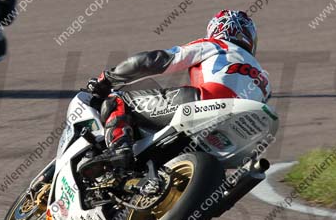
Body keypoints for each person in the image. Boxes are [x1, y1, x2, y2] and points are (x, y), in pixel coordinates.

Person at [81, 10, 271, 175]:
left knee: (117, 100)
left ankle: (119, 149)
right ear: (250, 37)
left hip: (202, 104)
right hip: (240, 130)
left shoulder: (217, 45)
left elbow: (153, 61)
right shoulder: (265, 79)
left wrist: (107, 78)